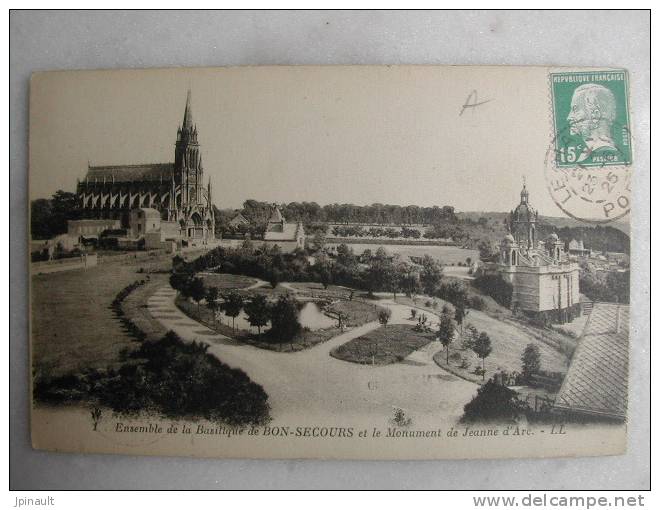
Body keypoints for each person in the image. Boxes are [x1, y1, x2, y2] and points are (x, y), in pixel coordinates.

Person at [566, 83, 618, 162]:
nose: (568, 117)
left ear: (595, 116)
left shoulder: (602, 150)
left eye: (575, 110)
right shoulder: (588, 153)